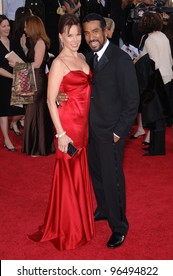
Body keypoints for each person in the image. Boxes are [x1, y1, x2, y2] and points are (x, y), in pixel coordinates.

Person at [59, 13, 139, 248]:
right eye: (86, 32)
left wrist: (119, 132)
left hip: (110, 133)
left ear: (105, 31)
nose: (91, 36)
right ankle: (104, 208)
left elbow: (132, 100)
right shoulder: (89, 59)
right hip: (90, 131)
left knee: (113, 180)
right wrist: (63, 96)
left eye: (95, 31)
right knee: (97, 175)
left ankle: (119, 226)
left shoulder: (120, 59)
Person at [28, 14, 95, 251]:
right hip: (67, 127)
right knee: (68, 175)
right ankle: (69, 229)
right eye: (70, 35)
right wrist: (60, 134)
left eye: (78, 34)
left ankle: (80, 222)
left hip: (83, 125)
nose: (76, 39)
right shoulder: (58, 63)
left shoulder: (82, 57)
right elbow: (49, 100)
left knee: (79, 172)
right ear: (61, 37)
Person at [135, 11, 173, 156]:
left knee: (155, 115)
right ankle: (155, 146)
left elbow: (153, 63)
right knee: (160, 115)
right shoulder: (162, 36)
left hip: (156, 80)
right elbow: (169, 59)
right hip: (168, 77)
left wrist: (138, 61)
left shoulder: (150, 40)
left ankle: (156, 149)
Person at [21, 15, 55, 156]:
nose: (24, 29)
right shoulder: (33, 42)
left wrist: (19, 65)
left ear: (32, 27)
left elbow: (37, 64)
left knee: (34, 112)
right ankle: (38, 146)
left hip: (38, 81)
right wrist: (23, 47)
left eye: (25, 26)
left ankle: (37, 147)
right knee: (35, 112)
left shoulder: (40, 42)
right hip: (33, 79)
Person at [0, 15, 25, 151]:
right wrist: (12, 76)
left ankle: (14, 123)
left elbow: (23, 59)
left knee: (21, 107)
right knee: (3, 111)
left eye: (8, 25)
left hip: (17, 79)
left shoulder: (14, 41)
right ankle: (7, 140)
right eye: (3, 26)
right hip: (3, 81)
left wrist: (23, 47)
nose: (7, 28)